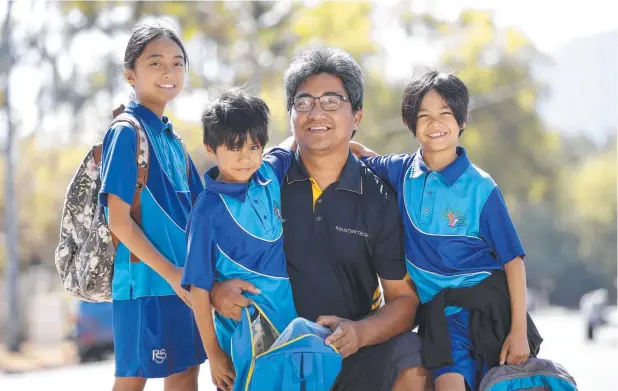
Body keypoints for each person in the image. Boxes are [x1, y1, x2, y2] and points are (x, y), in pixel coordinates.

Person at [210, 47, 429, 391]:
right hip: (273, 357)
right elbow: (200, 249)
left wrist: (360, 333)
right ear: (290, 115)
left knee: (413, 358)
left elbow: (404, 301)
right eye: (303, 102)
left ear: (357, 115)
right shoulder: (262, 183)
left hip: (351, 355)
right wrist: (214, 291)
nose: (316, 113)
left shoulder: (378, 196)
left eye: (331, 101)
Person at [350, 71, 535, 391]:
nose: (435, 123)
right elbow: (358, 154)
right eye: (424, 116)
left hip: (488, 312)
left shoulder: (481, 188)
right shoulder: (400, 170)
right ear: (411, 124)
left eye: (445, 114)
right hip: (442, 318)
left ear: (462, 120)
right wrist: (295, 146)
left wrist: (518, 332)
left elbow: (513, 260)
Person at [99, 24, 206, 391]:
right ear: (131, 74)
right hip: (146, 284)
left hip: (181, 283)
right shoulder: (125, 131)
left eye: (178, 64)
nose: (169, 72)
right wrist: (171, 272)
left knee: (186, 372)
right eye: (155, 62)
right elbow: (117, 220)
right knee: (134, 379)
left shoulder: (172, 138)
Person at [180, 89, 297, 391]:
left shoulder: (269, 173)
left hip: (290, 330)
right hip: (243, 341)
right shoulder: (206, 213)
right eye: (234, 148)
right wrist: (214, 354)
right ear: (211, 148)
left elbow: (292, 143)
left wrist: (354, 147)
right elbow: (198, 289)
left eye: (254, 147)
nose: (246, 158)